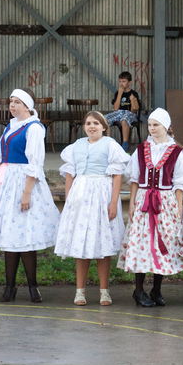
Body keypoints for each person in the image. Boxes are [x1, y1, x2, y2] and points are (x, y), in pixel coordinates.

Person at [0, 88, 61, 303]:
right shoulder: (11, 126)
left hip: (25, 182)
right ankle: (9, 287)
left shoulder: (34, 128)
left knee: (26, 237)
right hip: (7, 182)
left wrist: (27, 193)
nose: (12, 105)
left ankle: (33, 287)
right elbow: (2, 156)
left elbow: (35, 162)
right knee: (10, 237)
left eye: (17, 102)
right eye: (11, 101)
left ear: (27, 106)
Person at [118, 108, 183, 307]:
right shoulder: (141, 149)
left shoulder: (176, 152)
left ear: (166, 127)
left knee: (163, 244)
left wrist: (178, 208)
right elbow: (135, 179)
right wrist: (132, 202)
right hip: (144, 201)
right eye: (150, 125)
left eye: (156, 125)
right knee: (142, 245)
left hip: (165, 202)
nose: (152, 128)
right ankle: (138, 290)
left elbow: (180, 182)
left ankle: (156, 289)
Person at [55, 111, 130, 306]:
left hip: (102, 195)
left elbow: (117, 175)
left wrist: (113, 202)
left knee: (103, 244)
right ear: (84, 127)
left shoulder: (110, 145)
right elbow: (70, 174)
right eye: (88, 123)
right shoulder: (76, 146)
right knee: (82, 243)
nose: (92, 127)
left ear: (104, 127)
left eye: (96, 123)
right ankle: (80, 291)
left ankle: (104, 291)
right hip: (81, 195)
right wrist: (69, 200)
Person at [105, 71, 140, 150]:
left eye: (123, 81)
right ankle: (107, 142)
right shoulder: (117, 93)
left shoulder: (133, 93)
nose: (121, 84)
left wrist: (132, 100)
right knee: (104, 119)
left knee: (124, 120)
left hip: (129, 113)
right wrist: (120, 94)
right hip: (118, 112)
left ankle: (125, 144)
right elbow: (116, 109)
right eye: (120, 81)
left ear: (129, 83)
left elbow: (134, 109)